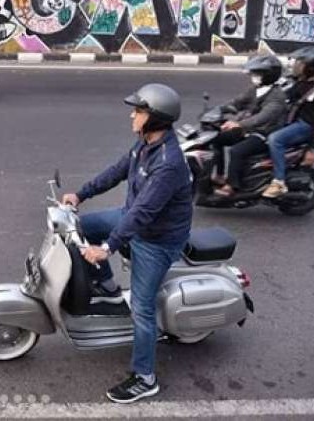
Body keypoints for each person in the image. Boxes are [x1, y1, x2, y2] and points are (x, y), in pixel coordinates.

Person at [61, 83, 193, 404]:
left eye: (139, 110)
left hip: (156, 239)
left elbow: (143, 214)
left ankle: (145, 377)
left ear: (156, 118)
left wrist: (107, 248)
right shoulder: (144, 144)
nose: (132, 115)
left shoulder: (168, 162)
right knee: (81, 226)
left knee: (142, 310)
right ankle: (107, 288)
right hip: (134, 216)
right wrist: (81, 194)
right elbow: (117, 172)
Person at [261, 47, 314, 198]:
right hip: (294, 121)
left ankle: (279, 182)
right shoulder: (302, 82)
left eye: (301, 64)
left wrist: (311, 149)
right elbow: (285, 98)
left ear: (312, 68)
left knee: (275, 139)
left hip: (307, 126)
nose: (297, 66)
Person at [210, 55, 287, 198]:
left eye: (258, 74)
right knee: (216, 138)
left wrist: (238, 124)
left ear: (268, 75)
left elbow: (262, 118)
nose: (254, 77)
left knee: (237, 151)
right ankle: (220, 175)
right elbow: (238, 102)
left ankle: (232, 185)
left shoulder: (277, 96)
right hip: (249, 130)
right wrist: (218, 110)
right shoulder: (255, 89)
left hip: (264, 134)